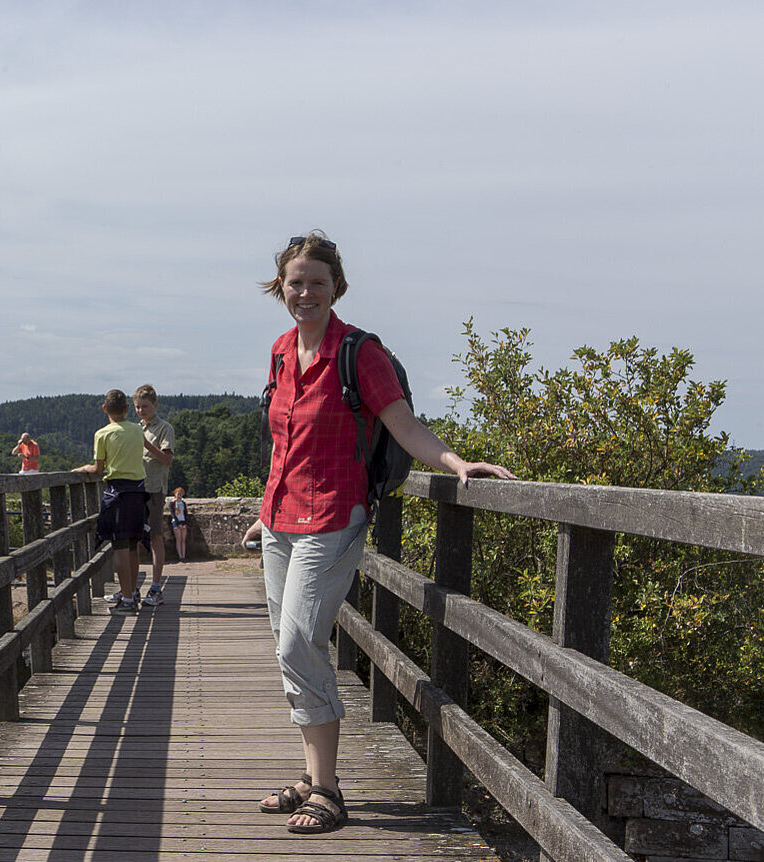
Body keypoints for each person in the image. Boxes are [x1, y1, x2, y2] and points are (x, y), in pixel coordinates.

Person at [244, 231, 515, 835]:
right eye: (295, 282)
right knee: (295, 651)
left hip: (334, 516)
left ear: (336, 286)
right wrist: (262, 512)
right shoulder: (282, 350)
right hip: (279, 519)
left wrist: (455, 463)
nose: (306, 291)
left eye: (318, 281)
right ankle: (312, 777)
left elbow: (403, 425)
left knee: (298, 644)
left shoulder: (359, 352)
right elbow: (283, 441)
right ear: (281, 288)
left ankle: (330, 792)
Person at [74, 390, 149, 616]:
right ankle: (133, 593)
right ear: (126, 409)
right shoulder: (137, 429)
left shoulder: (102, 434)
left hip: (117, 493)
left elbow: (98, 469)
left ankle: (126, 600)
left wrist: (83, 469)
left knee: (119, 547)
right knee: (134, 545)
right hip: (138, 492)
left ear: (105, 409)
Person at [134, 385, 174, 606]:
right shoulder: (136, 428)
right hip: (137, 489)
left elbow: (167, 460)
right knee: (135, 538)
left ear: (155, 405)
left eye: (145, 407)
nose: (141, 411)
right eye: (138, 407)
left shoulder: (164, 428)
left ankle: (156, 587)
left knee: (155, 537)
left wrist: (147, 445)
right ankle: (132, 588)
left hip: (155, 490)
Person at [169, 487, 189, 561]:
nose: (179, 495)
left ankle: (183, 556)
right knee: (178, 539)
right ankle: (180, 556)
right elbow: (172, 513)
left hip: (183, 521)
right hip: (176, 522)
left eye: (180, 494)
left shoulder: (183, 503)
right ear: (175, 494)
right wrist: (178, 523)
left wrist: (185, 523)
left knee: (183, 540)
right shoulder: (172, 503)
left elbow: (186, 513)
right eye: (178, 494)